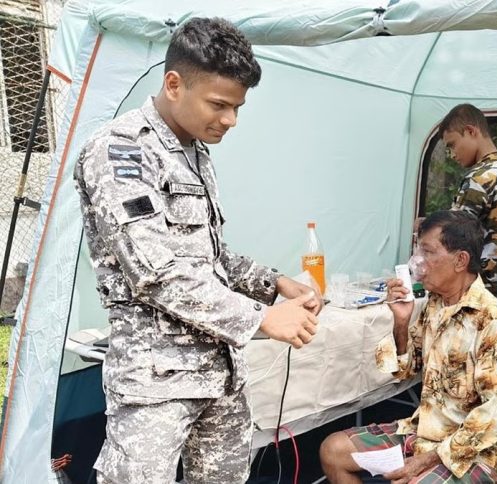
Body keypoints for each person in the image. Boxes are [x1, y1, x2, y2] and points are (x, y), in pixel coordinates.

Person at [73, 18, 323, 483]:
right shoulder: (120, 151)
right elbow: (156, 272)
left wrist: (274, 283)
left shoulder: (194, 151)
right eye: (219, 105)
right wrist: (262, 318)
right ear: (174, 85)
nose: (230, 120)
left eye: (237, 107)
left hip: (219, 373)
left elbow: (208, 256)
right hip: (157, 385)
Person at [319, 210, 497, 484]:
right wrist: (400, 323)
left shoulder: (493, 321)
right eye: (418, 251)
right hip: (425, 430)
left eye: (428, 252)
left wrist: (424, 462)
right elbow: (403, 371)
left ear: (460, 260)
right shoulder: (435, 304)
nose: (417, 261)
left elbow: (494, 415)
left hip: (477, 450)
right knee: (333, 451)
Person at [439, 104, 497, 295]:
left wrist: (426, 228)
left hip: (465, 288)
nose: (452, 154)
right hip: (489, 287)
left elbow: (451, 238)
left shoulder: (478, 178)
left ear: (470, 131)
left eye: (452, 144)